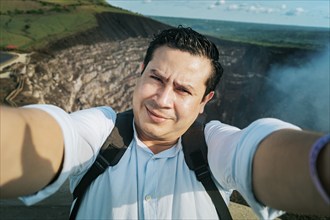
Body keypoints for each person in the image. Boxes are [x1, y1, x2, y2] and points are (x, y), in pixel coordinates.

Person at [0, 26, 329, 219]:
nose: (162, 99)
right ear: (139, 72)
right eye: (156, 78)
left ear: (205, 103)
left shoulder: (213, 146)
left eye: (183, 89)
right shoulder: (100, 130)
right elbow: (52, 137)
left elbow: (257, 153)